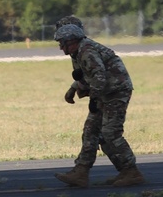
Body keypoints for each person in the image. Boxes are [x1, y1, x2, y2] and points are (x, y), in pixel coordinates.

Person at [53, 19, 145, 188]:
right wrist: (74, 88)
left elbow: (99, 77)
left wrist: (94, 100)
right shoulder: (78, 52)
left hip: (115, 92)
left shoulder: (87, 50)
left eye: (62, 43)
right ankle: (81, 172)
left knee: (110, 132)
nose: (60, 47)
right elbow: (86, 75)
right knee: (91, 131)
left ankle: (131, 171)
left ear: (71, 41)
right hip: (105, 92)